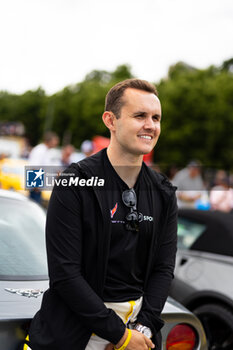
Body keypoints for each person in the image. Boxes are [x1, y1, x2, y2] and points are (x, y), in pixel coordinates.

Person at [28, 79, 178, 350]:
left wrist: (141, 330)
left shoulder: (163, 192)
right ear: (111, 120)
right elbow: (65, 274)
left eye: (156, 118)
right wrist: (119, 336)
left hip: (137, 333)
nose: (151, 125)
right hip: (71, 334)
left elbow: (163, 268)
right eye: (140, 116)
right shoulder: (74, 182)